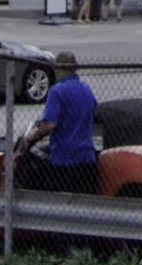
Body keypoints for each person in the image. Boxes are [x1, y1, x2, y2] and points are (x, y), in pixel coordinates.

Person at [16, 51, 101, 193]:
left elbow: (50, 125)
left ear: (58, 69)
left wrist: (30, 138)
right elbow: (92, 114)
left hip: (64, 160)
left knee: (59, 203)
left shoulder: (57, 91)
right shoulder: (87, 90)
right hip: (87, 158)